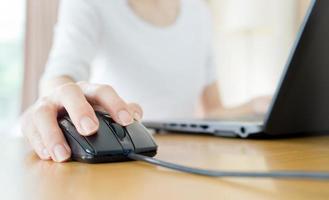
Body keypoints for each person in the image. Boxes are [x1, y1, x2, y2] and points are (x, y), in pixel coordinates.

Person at [21, 0, 270, 163]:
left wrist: (257, 105)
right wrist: (58, 98)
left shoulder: (199, 13)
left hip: (181, 156)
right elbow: (61, 73)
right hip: (116, 161)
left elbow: (212, 110)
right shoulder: (92, 3)